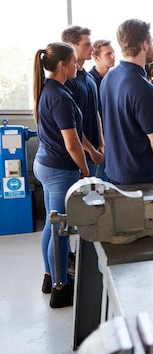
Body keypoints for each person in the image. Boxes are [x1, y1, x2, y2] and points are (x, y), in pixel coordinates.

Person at [33, 42, 90, 308]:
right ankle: (60, 287)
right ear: (62, 65)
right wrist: (84, 169)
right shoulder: (60, 96)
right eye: (74, 61)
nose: (77, 65)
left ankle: (49, 277)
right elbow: (72, 143)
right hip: (59, 170)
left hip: (46, 164)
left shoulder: (50, 90)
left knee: (51, 225)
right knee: (60, 232)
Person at [100, 19, 153, 184]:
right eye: (151, 42)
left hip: (114, 171)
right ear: (145, 44)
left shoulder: (109, 77)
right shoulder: (143, 87)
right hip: (140, 176)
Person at [61, 26, 105, 178]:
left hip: (95, 151)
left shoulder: (89, 78)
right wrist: (90, 149)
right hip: (79, 155)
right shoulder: (67, 80)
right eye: (86, 44)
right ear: (72, 46)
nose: (92, 48)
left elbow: (96, 111)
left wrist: (101, 142)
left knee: (94, 199)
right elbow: (71, 124)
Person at [89, 39, 115, 180]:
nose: (113, 57)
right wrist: (101, 141)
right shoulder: (89, 81)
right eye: (108, 54)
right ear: (96, 57)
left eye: (113, 53)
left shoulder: (116, 79)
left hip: (115, 138)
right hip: (98, 142)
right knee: (97, 184)